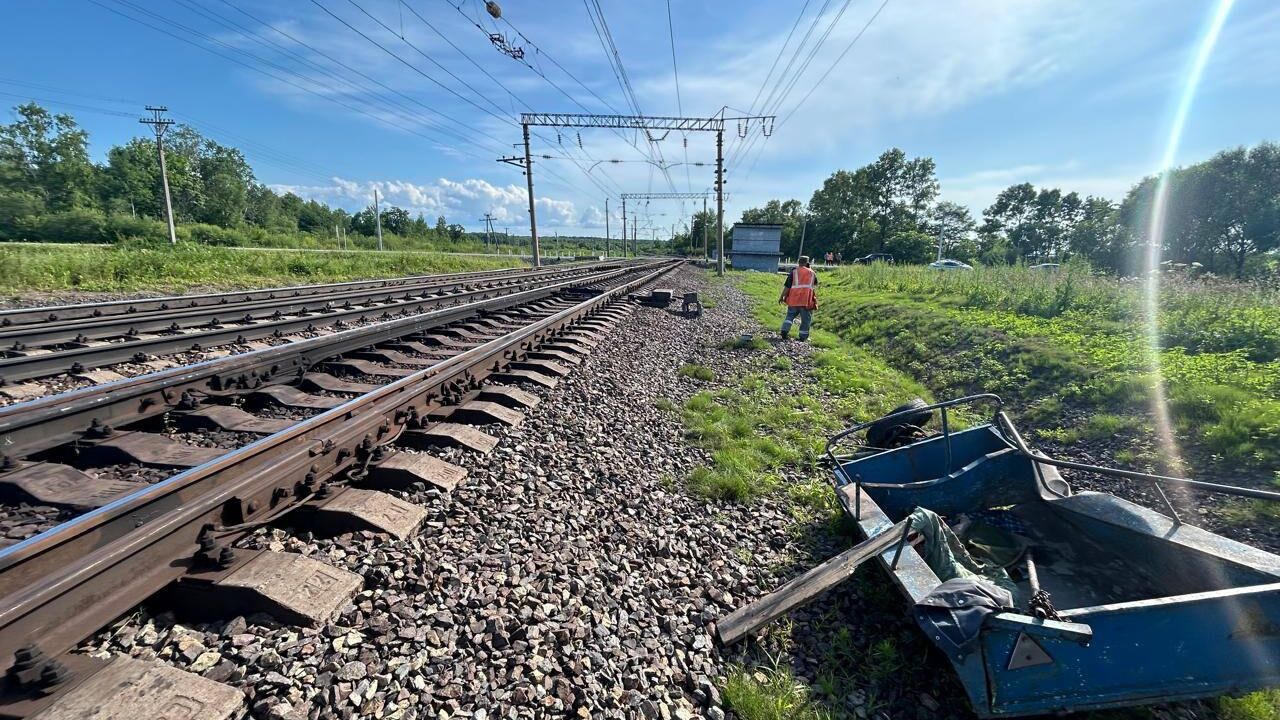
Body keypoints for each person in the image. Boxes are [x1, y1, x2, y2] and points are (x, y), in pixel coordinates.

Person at [779, 255, 818, 341]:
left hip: (793, 300)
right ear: (807, 263)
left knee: (789, 317)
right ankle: (803, 337)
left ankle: (784, 331)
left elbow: (787, 287)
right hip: (806, 301)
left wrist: (782, 297)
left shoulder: (794, 272)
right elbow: (814, 284)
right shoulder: (812, 273)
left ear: (798, 262)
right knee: (805, 320)